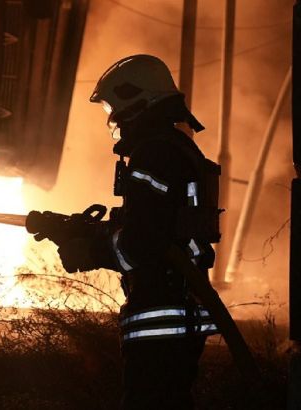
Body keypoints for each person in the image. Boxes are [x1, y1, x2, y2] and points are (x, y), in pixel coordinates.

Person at [61, 54, 222, 409]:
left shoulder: (155, 154)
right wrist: (87, 232)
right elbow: (155, 225)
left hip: (162, 313)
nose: (113, 119)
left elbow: (141, 243)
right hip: (176, 308)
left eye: (114, 109)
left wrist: (89, 251)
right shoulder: (172, 148)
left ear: (137, 101)